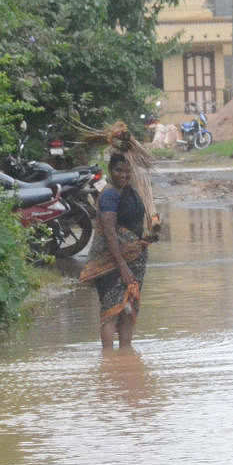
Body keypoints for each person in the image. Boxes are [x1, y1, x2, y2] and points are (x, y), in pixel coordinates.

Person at [79, 123, 160, 349]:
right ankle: (108, 361)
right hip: (113, 263)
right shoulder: (109, 196)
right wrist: (122, 266)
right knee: (111, 311)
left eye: (127, 172)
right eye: (118, 171)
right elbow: (110, 234)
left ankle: (125, 357)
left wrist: (150, 235)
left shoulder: (132, 191)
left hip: (135, 260)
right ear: (109, 170)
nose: (123, 175)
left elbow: (136, 225)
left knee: (130, 310)